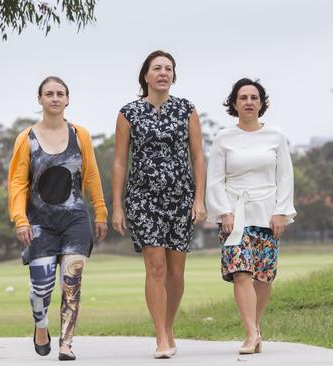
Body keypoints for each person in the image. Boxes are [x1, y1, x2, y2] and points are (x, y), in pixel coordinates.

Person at [111, 50, 207, 359]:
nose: (163, 73)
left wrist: (199, 199)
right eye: (157, 68)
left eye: (168, 68)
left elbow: (198, 157)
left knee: (176, 273)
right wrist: (117, 206)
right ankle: (161, 337)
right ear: (146, 76)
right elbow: (120, 162)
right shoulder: (129, 112)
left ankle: (168, 326)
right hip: (143, 199)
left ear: (173, 76)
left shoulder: (187, 110)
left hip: (180, 198)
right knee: (156, 267)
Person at [8, 76, 108, 361]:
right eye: (49, 94)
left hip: (75, 220)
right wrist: (20, 219)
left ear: (68, 99)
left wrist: (100, 211)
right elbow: (17, 182)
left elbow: (90, 175)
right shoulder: (26, 138)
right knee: (41, 287)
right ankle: (41, 326)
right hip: (39, 223)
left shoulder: (80, 135)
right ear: (39, 99)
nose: (55, 98)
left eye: (60, 93)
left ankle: (66, 342)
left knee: (72, 280)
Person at [205, 78, 296, 354]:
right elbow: (214, 179)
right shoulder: (223, 138)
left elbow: (285, 176)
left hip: (267, 214)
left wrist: (281, 212)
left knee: (263, 276)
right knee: (241, 271)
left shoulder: (276, 137)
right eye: (243, 97)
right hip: (235, 214)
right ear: (234, 103)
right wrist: (224, 212)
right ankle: (249, 333)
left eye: (254, 97)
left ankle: (256, 328)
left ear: (261, 103)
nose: (248, 102)